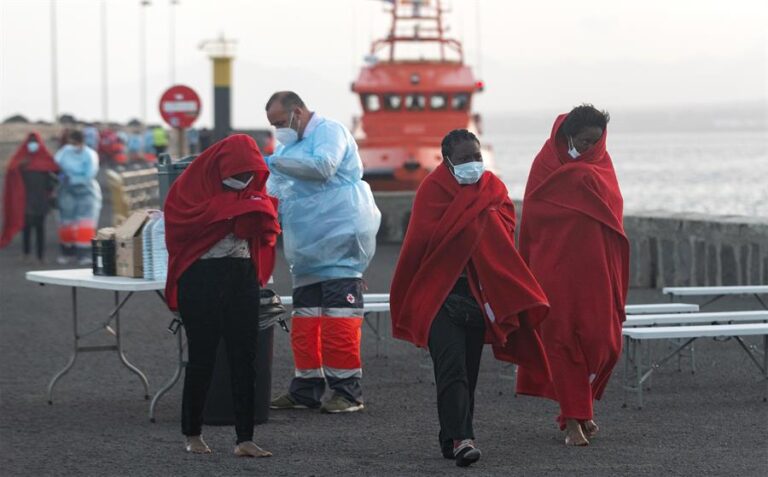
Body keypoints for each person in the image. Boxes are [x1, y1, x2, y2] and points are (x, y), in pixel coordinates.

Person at [390, 129, 551, 467]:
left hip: (477, 296)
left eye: (477, 157)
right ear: (447, 162)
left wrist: (477, 223)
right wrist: (473, 223)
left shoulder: (494, 190)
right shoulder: (431, 191)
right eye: (464, 159)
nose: (473, 164)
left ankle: (451, 437)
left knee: (468, 371)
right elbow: (421, 243)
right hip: (438, 296)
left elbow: (504, 232)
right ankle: (464, 439)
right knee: (451, 368)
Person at [515, 105, 630, 446]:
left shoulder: (602, 165)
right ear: (568, 137)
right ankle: (574, 422)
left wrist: (581, 179)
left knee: (604, 342)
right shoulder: (545, 164)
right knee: (561, 342)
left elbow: (613, 212)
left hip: (597, 270)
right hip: (554, 268)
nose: (590, 148)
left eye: (596, 141)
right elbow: (534, 216)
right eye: (583, 141)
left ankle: (578, 410)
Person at [164, 134, 281, 457]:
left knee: (245, 358)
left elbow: (263, 229)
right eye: (239, 173)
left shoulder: (250, 192)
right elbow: (179, 227)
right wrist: (237, 209)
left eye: (250, 175)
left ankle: (245, 438)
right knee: (202, 358)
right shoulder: (186, 192)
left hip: (241, 275)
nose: (244, 180)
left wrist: (251, 211)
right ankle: (192, 433)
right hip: (201, 277)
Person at [265, 91, 381, 414]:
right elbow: (277, 187)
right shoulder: (287, 148)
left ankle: (347, 392)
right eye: (273, 125)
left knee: (339, 320)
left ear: (297, 111)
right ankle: (306, 388)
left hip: (340, 239)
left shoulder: (330, 131)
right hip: (307, 249)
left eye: (280, 122)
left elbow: (324, 167)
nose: (278, 130)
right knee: (306, 320)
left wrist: (272, 162)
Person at [0, 132, 59, 261]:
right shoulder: (21, 159)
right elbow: (11, 170)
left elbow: (56, 171)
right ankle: (26, 253)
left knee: (40, 228)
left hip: (41, 200)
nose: (33, 145)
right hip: (24, 200)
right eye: (31, 142)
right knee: (26, 227)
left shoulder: (45, 158)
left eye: (35, 142)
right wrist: (20, 165)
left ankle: (40, 256)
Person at [54, 130, 102, 265]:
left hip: (86, 190)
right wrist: (60, 176)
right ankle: (67, 252)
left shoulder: (90, 154)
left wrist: (74, 179)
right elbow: (56, 165)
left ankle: (84, 254)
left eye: (74, 143)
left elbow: (89, 174)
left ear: (81, 142)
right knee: (66, 222)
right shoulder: (65, 151)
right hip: (66, 189)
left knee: (85, 223)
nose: (72, 145)